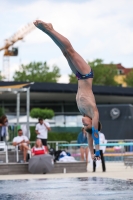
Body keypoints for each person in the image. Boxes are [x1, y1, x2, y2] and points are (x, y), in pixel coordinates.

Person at [33, 20, 100, 160]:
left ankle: (48, 31)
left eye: (84, 125)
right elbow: (94, 134)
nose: (83, 123)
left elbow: (88, 138)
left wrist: (91, 152)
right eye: (86, 124)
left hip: (78, 76)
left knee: (65, 53)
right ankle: (50, 29)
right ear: (93, 123)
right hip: (86, 74)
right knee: (70, 51)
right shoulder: (94, 113)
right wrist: (97, 152)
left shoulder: (83, 112)